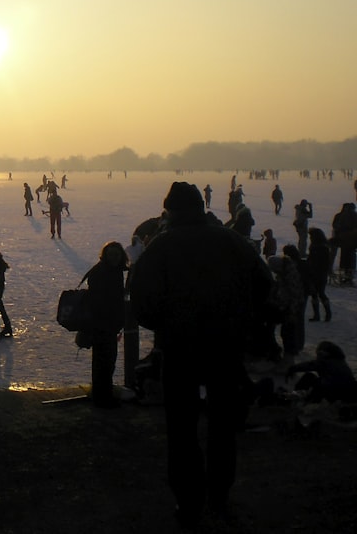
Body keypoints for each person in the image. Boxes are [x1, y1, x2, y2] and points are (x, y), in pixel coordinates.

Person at [128, 182, 272, 527]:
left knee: (182, 428)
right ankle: (220, 494)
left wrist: (162, 324)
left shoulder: (161, 246)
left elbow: (140, 297)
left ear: (172, 212)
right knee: (222, 424)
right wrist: (242, 318)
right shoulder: (231, 240)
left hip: (180, 348)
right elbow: (264, 284)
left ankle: (189, 501)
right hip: (225, 346)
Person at [81, 241, 128, 407]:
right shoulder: (107, 273)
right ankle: (103, 397)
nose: (115, 258)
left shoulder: (108, 271)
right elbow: (104, 301)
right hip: (103, 324)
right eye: (112, 255)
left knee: (104, 361)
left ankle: (102, 394)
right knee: (105, 361)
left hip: (106, 324)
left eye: (117, 255)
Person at [285, 340, 357, 404]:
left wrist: (292, 368)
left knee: (309, 377)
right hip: (349, 394)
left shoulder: (324, 362)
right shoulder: (341, 362)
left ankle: (297, 396)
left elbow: (308, 365)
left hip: (332, 392)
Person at [305, 227, 332, 321]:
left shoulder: (317, 247)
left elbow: (313, 261)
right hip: (321, 273)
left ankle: (318, 315)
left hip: (317, 273)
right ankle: (327, 313)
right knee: (319, 293)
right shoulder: (323, 247)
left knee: (316, 293)